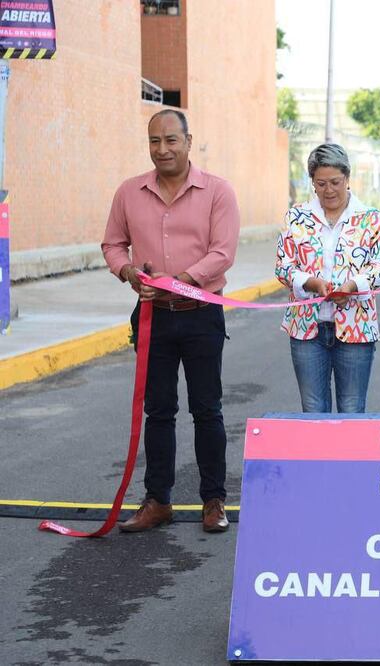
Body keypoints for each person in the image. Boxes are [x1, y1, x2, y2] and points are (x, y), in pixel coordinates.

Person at [101, 109, 239, 533]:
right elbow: (112, 245)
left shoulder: (217, 191)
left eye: (171, 140)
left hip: (201, 315)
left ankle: (213, 501)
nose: (162, 149)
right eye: (154, 142)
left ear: (188, 140)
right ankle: (157, 500)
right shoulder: (129, 192)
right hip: (152, 318)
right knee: (158, 411)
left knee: (207, 410)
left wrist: (177, 283)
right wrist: (130, 274)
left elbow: (222, 253)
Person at [275, 143, 380, 413]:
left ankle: (349, 457)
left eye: (335, 182)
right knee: (313, 409)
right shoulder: (297, 217)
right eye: (321, 183)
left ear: (347, 179)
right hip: (306, 329)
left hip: (356, 328)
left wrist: (352, 286)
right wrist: (310, 283)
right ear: (312, 183)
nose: (328, 190)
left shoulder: (369, 218)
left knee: (352, 409)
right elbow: (283, 266)